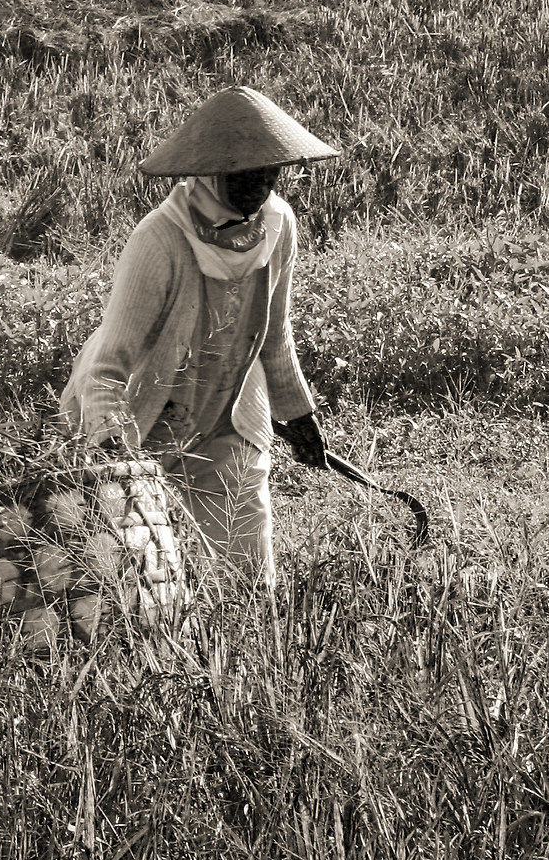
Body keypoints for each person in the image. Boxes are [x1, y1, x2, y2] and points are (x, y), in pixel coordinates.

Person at [59, 87, 342, 591]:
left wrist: (299, 417)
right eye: (244, 173)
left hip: (229, 413)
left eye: (271, 170)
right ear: (210, 173)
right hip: (144, 423)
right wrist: (113, 457)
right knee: (145, 585)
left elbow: (273, 336)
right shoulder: (160, 239)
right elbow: (106, 367)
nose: (261, 185)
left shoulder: (278, 223)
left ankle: (247, 664)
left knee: (249, 582)